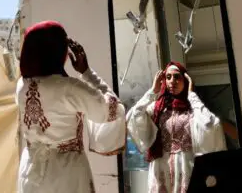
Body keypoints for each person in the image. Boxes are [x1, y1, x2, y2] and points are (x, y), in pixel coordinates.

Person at [17, 21, 126, 193]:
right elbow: (111, 110)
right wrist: (87, 73)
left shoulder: (21, 87)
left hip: (31, 172)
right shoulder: (69, 88)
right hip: (67, 173)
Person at [126, 62, 226, 193]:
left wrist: (192, 96)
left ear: (186, 81)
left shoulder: (193, 109)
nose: (172, 81)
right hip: (160, 167)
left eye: (177, 77)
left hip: (186, 166)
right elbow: (134, 115)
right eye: (168, 77)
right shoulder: (157, 108)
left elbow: (211, 124)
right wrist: (152, 91)